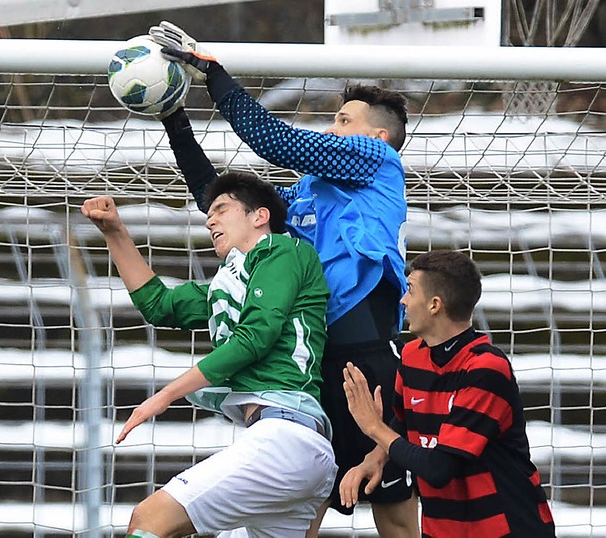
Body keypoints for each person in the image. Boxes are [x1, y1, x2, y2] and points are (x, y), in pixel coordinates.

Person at [147, 21, 420, 537]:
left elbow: (274, 138)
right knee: (301, 510)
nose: (333, 129)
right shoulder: (306, 193)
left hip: (366, 359)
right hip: (309, 374)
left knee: (394, 511)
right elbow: (221, 199)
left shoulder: (379, 163)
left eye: (344, 120)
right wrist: (173, 118)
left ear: (376, 136)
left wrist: (211, 70)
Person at [81, 172, 337, 538]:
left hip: (285, 439)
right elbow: (158, 304)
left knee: (149, 519)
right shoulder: (229, 283)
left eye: (221, 209)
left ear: (259, 216)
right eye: (208, 214)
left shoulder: (284, 250)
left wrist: (167, 394)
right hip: (287, 446)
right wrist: (114, 231)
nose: (210, 220)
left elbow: (256, 337)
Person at [341, 250, 556, 537]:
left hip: (509, 528)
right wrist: (376, 458)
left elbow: (439, 468)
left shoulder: (486, 369)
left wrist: (373, 427)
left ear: (434, 305)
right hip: (442, 529)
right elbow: (405, 423)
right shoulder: (411, 356)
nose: (403, 300)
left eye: (410, 290)